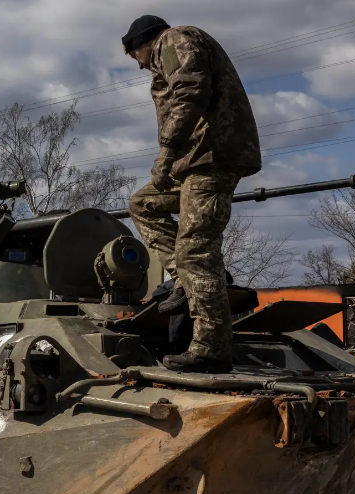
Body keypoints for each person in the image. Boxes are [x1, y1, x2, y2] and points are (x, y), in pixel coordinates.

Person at [123, 15, 261, 373]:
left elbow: (189, 91)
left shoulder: (174, 40)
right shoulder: (171, 50)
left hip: (210, 158)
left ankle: (212, 348)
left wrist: (167, 152)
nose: (138, 65)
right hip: (195, 162)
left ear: (143, 42)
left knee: (196, 251)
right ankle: (185, 282)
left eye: (134, 54)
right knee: (144, 203)